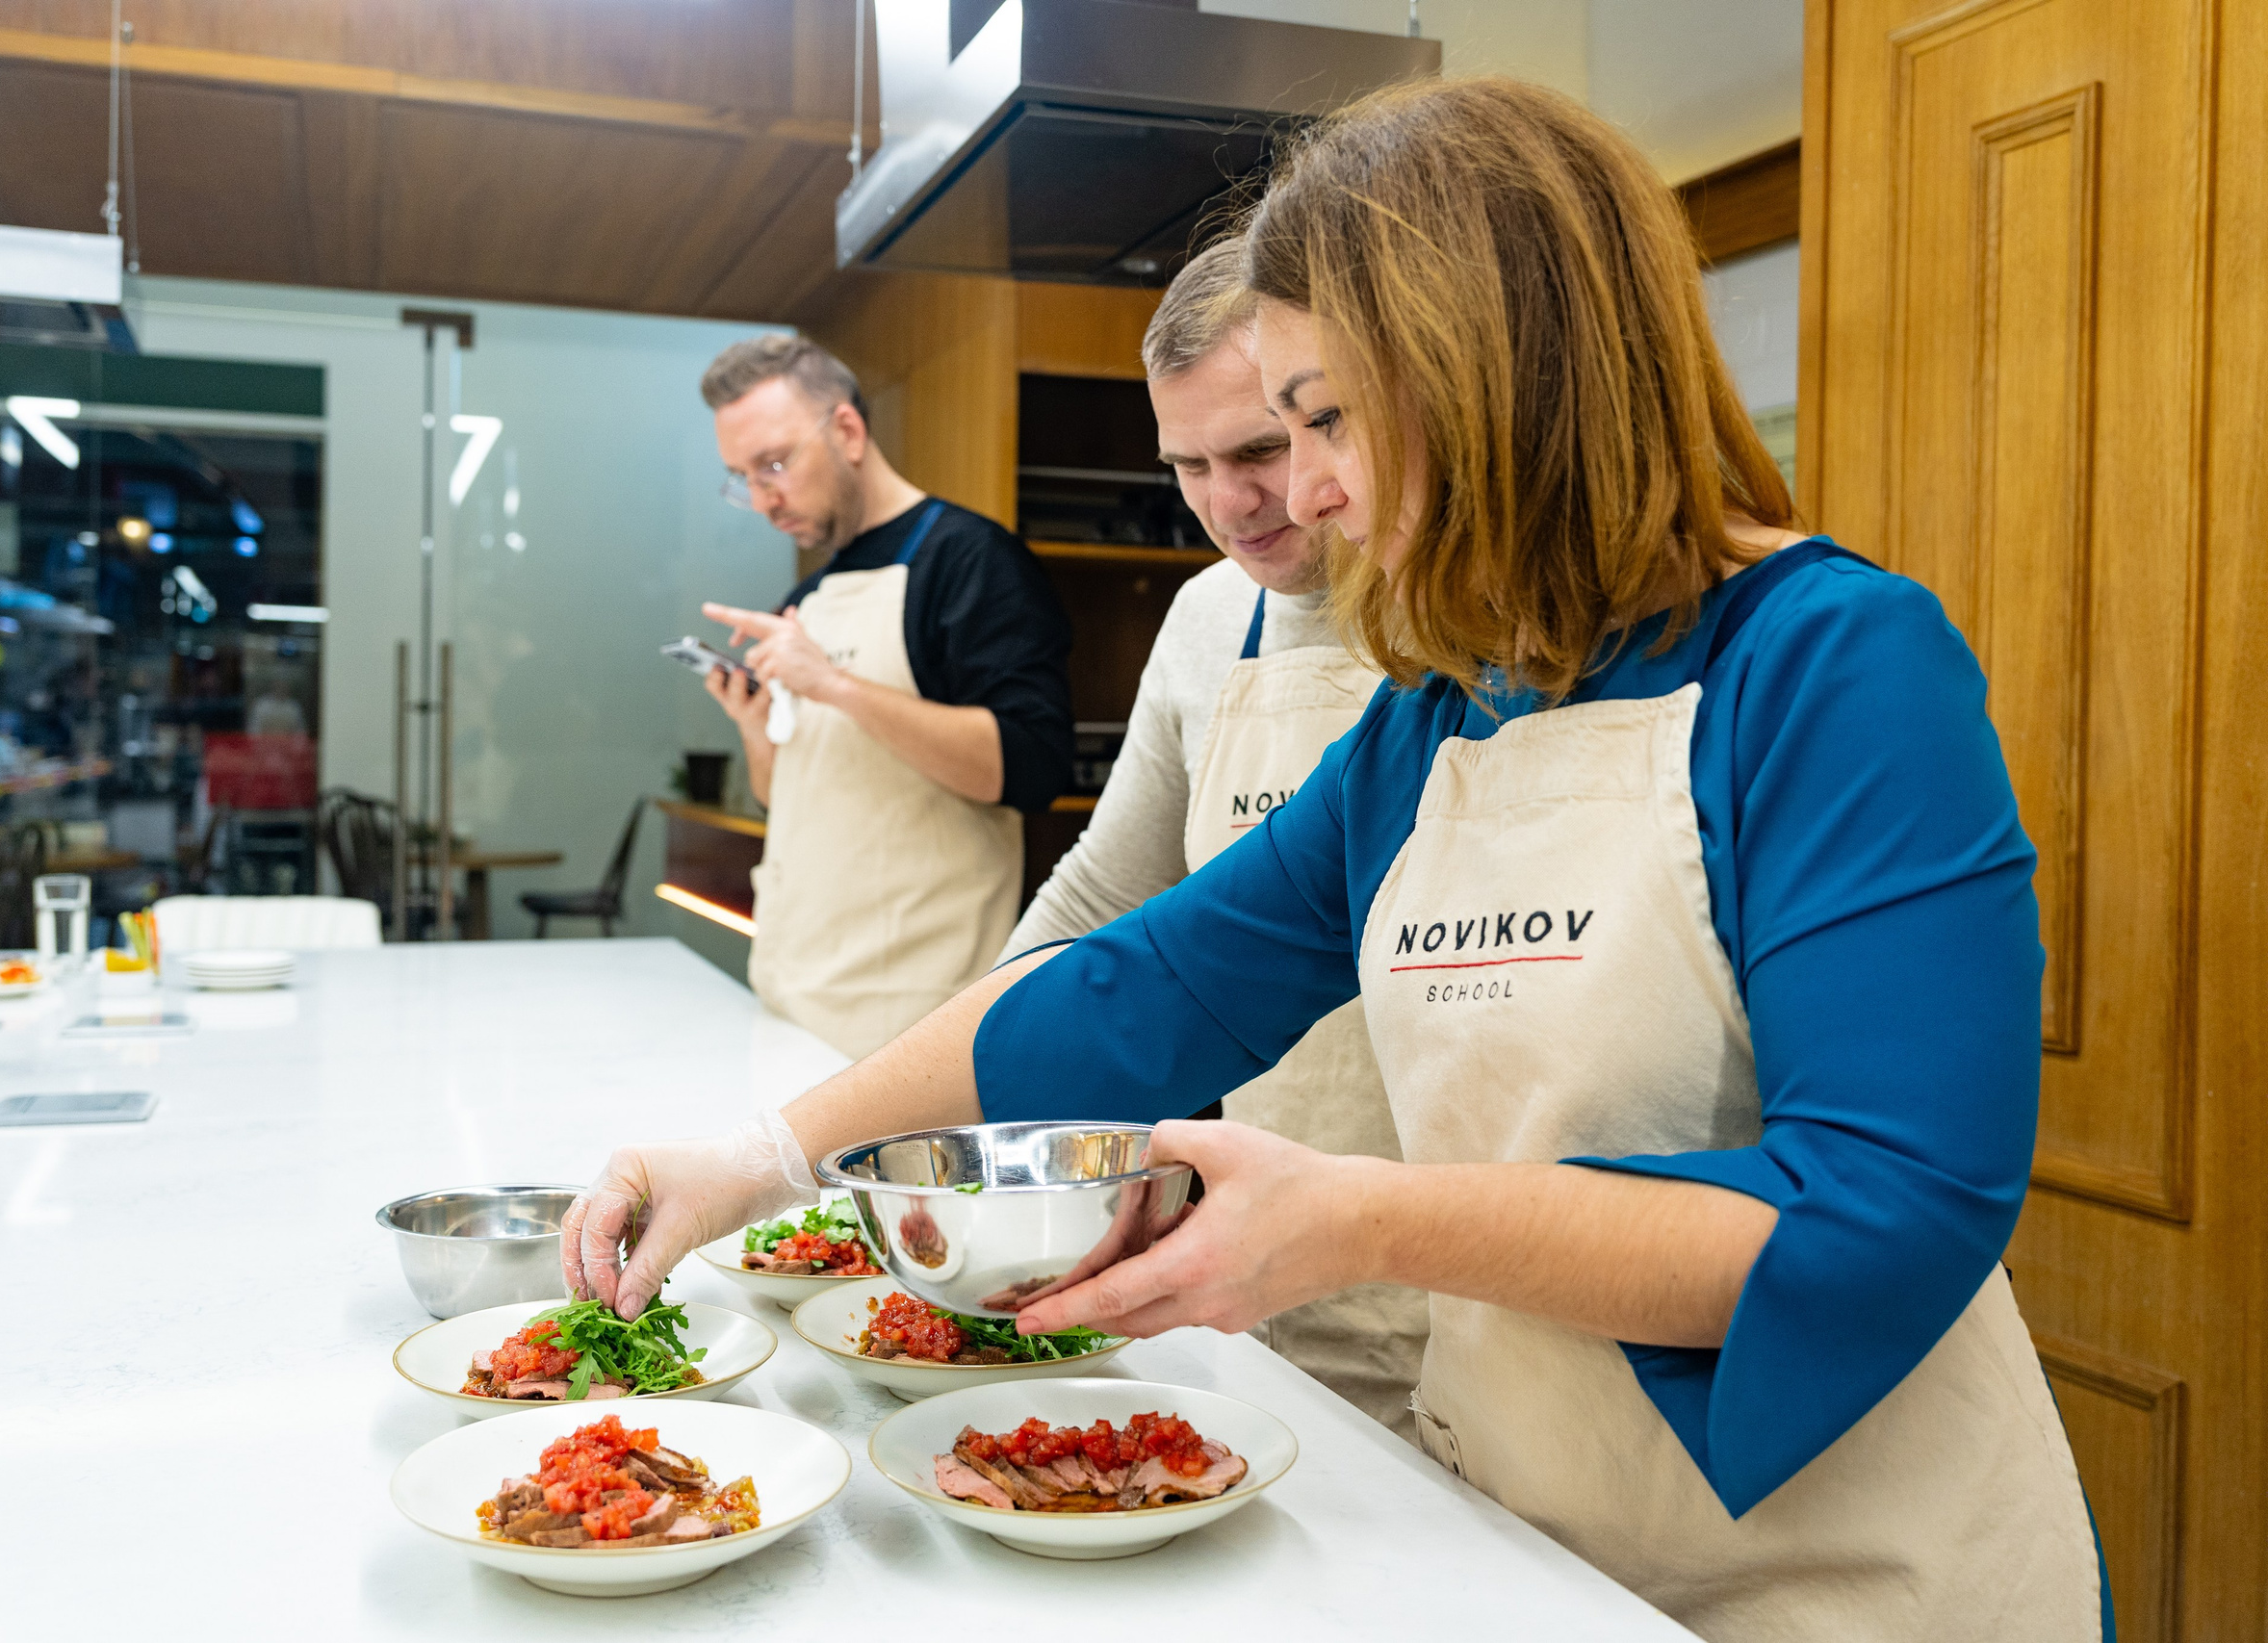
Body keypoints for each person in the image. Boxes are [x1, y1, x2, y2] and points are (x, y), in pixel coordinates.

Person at [570, 79, 2104, 1641]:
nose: (1300, 492)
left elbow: (1882, 1212)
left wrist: (1361, 1216)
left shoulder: (1836, 667)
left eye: (1324, 419)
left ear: (1494, 372)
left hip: (1848, 1580)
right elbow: (1130, 981)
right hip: (1536, 1545)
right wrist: (759, 1163)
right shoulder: (1436, 722)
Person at [1005, 239, 1427, 1441]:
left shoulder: (1450, 620)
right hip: (1250, 1249)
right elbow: (1106, 899)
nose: (1228, 503)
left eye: (1257, 450)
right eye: (1184, 465)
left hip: (1459, 1259)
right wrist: (927, 1091)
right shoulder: (1205, 616)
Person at [694, 336, 1074, 1060]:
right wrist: (758, 733)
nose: (762, 498)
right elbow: (794, 798)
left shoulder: (970, 561)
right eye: (742, 476)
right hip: (787, 993)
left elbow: (1030, 767)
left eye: (774, 463)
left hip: (911, 1026)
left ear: (847, 431)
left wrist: (833, 684)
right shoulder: (807, 596)